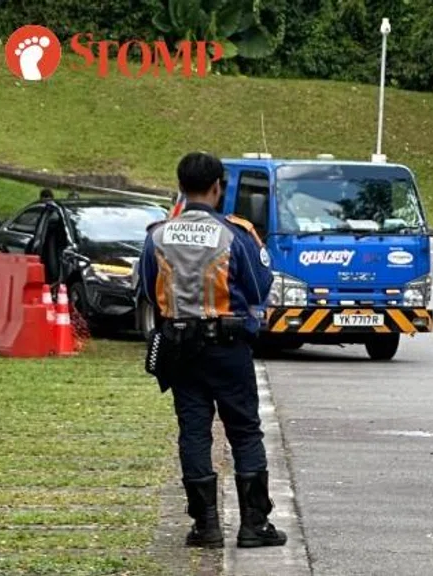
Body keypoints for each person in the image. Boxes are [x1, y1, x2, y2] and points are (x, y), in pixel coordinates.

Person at [139, 152, 287, 550]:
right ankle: (254, 525)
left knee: (193, 431)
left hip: (179, 348)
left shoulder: (158, 235)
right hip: (228, 347)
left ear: (180, 186)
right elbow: (258, 288)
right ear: (218, 187)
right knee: (244, 431)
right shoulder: (235, 234)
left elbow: (148, 289)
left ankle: (205, 526)